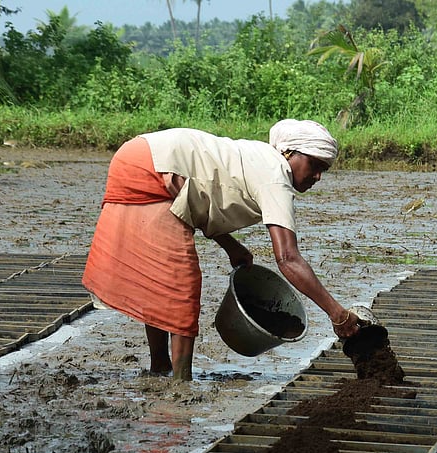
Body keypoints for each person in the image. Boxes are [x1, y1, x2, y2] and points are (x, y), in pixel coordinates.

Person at [82, 120, 361, 380]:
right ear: (289, 153)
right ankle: (181, 381)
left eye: (324, 169)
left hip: (138, 155)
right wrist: (338, 314)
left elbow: (200, 196)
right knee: (180, 284)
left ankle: (161, 366)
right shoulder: (275, 176)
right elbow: (288, 258)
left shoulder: (259, 158)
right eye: (314, 164)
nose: (318, 176)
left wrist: (231, 246)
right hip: (152, 168)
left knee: (160, 280)